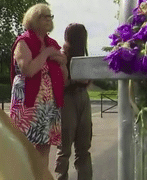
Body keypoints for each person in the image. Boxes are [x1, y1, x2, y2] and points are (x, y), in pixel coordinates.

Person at [9, 3, 68, 167]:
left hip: (50, 104)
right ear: (34, 19)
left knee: (44, 145)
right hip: (29, 102)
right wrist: (47, 53)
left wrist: (63, 63)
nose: (49, 19)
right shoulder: (24, 42)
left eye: (50, 16)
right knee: (25, 146)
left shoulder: (53, 43)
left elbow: (64, 79)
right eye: (45, 16)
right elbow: (28, 70)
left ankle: (40, 176)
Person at [55, 23, 93, 180]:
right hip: (68, 98)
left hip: (79, 96)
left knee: (80, 147)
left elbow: (87, 80)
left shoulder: (81, 55)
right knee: (67, 148)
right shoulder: (62, 54)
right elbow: (62, 82)